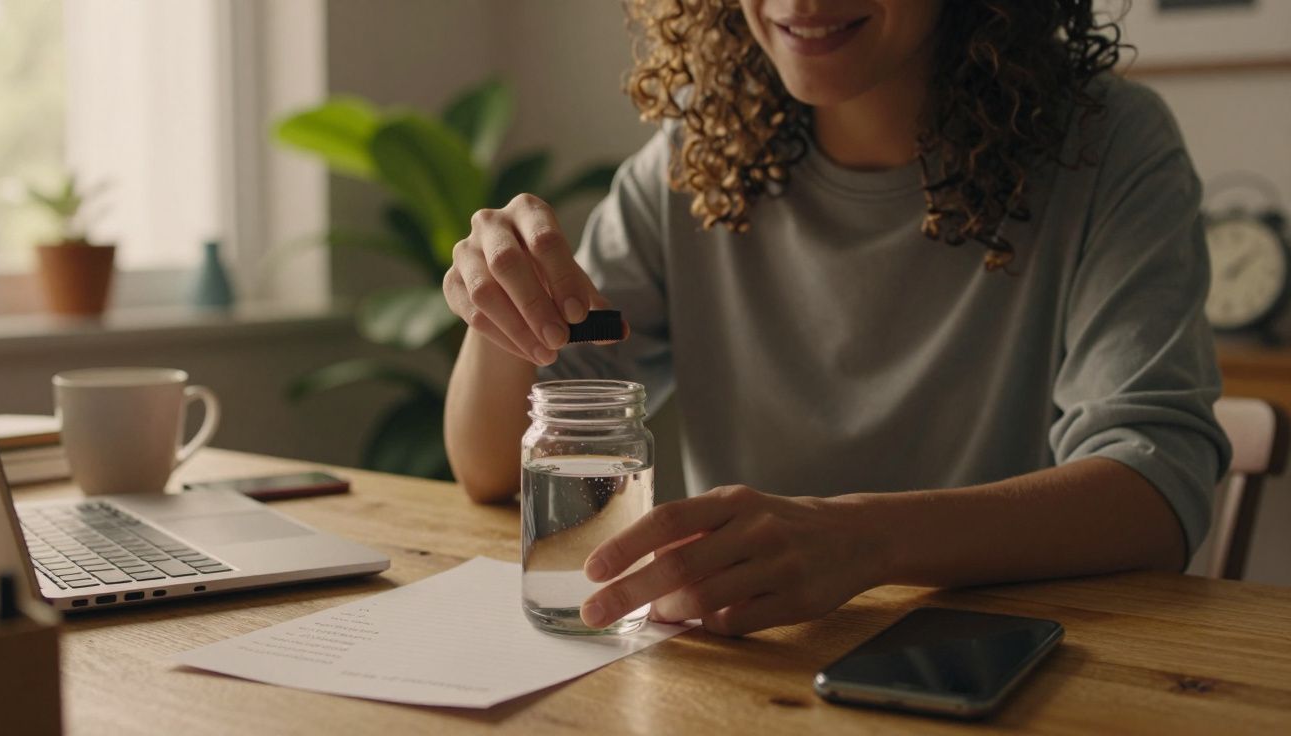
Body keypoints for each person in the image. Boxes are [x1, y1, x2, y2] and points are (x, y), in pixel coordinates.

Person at [441, 0, 1232, 636]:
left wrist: (865, 540)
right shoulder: (693, 163)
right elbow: (488, 463)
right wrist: (502, 304)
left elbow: (1153, 491)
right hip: (749, 665)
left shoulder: (1109, 147)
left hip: (1010, 659)